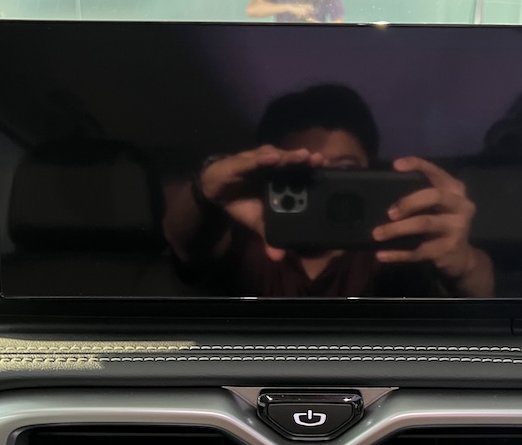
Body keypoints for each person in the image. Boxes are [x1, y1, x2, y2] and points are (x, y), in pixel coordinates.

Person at [162, 84, 494, 298]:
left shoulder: (396, 237)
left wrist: (464, 263)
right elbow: (184, 240)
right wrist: (206, 189)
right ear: (268, 171)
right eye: (303, 172)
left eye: (344, 171)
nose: (326, 186)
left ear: (371, 171)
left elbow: (479, 290)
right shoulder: (248, 238)